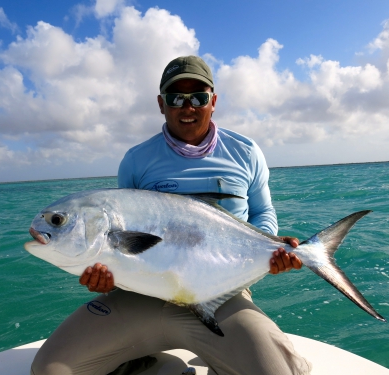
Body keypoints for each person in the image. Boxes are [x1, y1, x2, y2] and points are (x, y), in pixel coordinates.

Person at [31, 56, 311, 375]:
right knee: (51, 370)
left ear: (213, 101)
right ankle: (141, 359)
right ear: (161, 104)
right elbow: (125, 250)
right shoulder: (136, 161)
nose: (187, 106)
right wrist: (105, 275)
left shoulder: (245, 152)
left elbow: (262, 212)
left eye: (199, 97)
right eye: (176, 97)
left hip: (219, 295)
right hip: (141, 295)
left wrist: (272, 248)